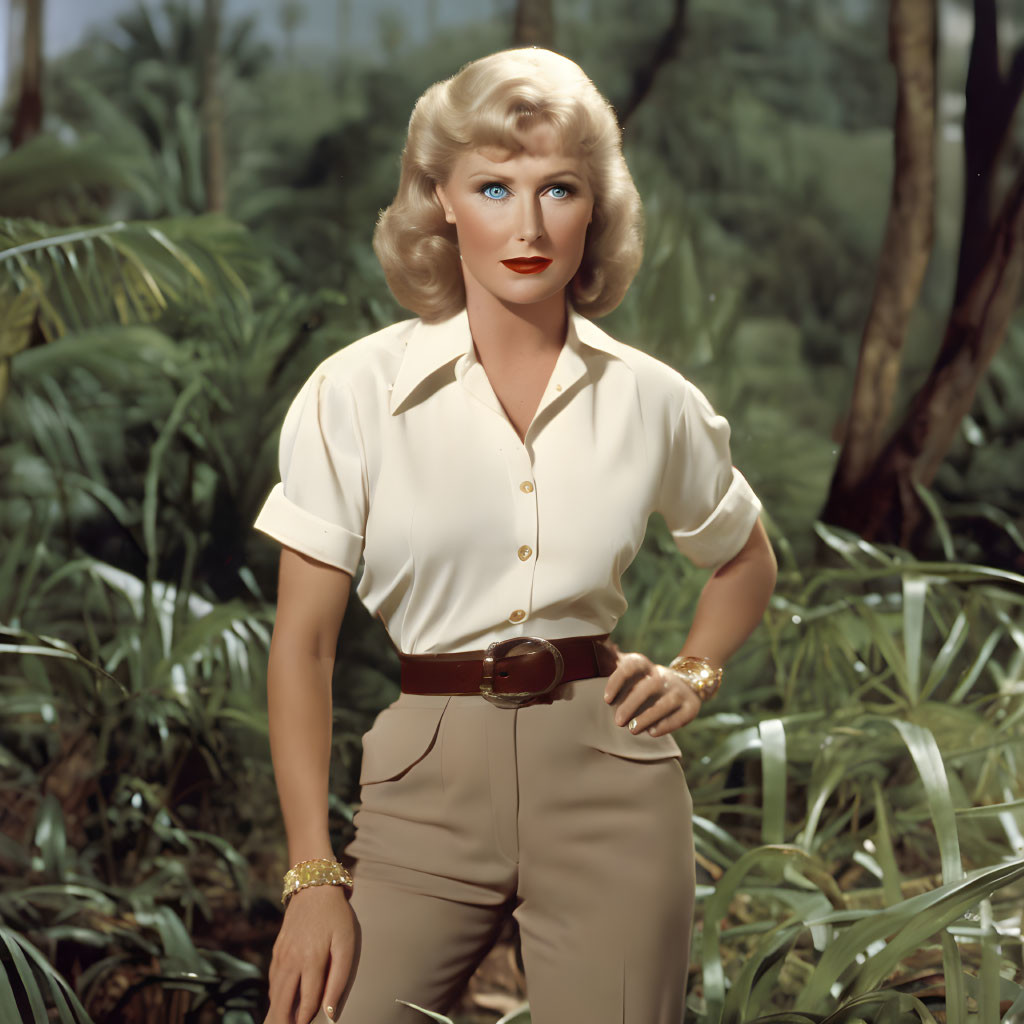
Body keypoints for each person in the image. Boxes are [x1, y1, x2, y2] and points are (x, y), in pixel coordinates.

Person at [253, 47, 777, 1024]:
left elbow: (743, 558)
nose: (528, 225)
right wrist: (313, 874)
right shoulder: (352, 395)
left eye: (558, 188)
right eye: (495, 186)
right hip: (423, 785)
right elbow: (304, 644)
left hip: (611, 778)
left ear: (596, 207)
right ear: (441, 198)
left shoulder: (654, 401)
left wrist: (694, 673)